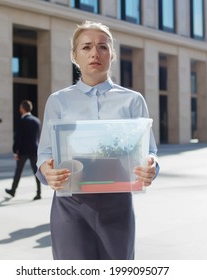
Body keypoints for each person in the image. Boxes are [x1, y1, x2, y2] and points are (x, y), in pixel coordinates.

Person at [36, 21, 159, 260]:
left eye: (103, 47)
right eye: (86, 47)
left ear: (112, 55)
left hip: (117, 204)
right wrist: (46, 170)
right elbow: (45, 152)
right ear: (74, 55)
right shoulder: (58, 101)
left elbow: (149, 150)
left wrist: (151, 166)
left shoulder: (132, 100)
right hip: (70, 205)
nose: (95, 53)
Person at [5, 100, 42, 200]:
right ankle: (39, 193)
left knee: (18, 171)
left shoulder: (23, 121)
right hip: (34, 150)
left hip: (23, 151)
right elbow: (39, 137)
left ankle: (13, 190)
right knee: (36, 172)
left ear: (22, 108)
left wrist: (15, 150)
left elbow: (18, 138)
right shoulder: (37, 121)